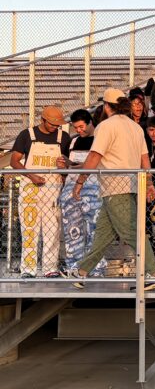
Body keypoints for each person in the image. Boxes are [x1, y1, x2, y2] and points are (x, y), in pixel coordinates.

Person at [70, 88, 155, 290]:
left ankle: (154, 273)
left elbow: (94, 156)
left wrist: (79, 182)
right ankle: (82, 272)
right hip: (132, 184)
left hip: (114, 186)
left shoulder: (105, 126)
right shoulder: (136, 127)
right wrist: (149, 183)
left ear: (106, 106)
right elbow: (145, 159)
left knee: (131, 233)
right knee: (103, 235)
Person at [11, 105, 71, 278]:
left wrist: (64, 165)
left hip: (53, 189)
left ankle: (50, 268)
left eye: (57, 124)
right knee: (29, 229)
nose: (55, 127)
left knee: (53, 231)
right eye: (52, 123)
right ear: (42, 120)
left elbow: (69, 163)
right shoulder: (26, 135)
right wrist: (32, 176)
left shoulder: (63, 137)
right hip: (30, 188)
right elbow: (15, 161)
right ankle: (28, 269)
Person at [59, 110, 104, 277]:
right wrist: (63, 165)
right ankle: (74, 267)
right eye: (75, 127)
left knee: (95, 230)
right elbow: (66, 165)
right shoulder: (72, 142)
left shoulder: (100, 140)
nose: (79, 130)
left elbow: (95, 163)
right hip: (71, 190)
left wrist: (73, 165)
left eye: (81, 126)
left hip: (95, 189)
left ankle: (96, 269)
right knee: (73, 230)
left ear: (90, 122)